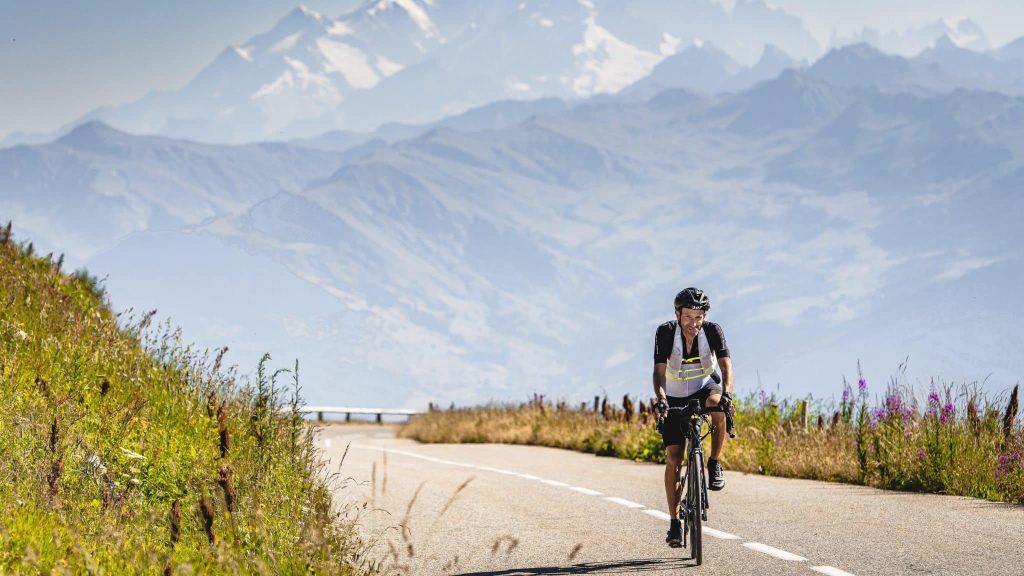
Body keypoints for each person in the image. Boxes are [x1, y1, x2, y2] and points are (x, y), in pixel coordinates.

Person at [652, 287, 734, 547]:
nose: (693, 323)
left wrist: (727, 394)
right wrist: (661, 399)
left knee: (719, 407)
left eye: (698, 317)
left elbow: (726, 366)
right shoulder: (665, 332)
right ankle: (675, 524)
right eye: (688, 317)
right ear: (677, 314)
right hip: (674, 397)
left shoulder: (712, 331)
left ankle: (713, 463)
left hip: (703, 389)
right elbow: (658, 372)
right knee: (674, 458)